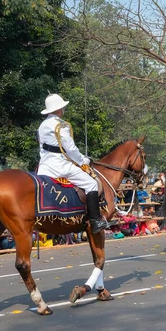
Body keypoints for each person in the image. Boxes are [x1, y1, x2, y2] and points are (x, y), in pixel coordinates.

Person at [37, 93, 115, 233]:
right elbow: (71, 149)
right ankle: (95, 220)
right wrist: (83, 161)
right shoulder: (61, 126)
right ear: (60, 109)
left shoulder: (42, 126)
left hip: (44, 168)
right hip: (60, 166)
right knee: (91, 184)